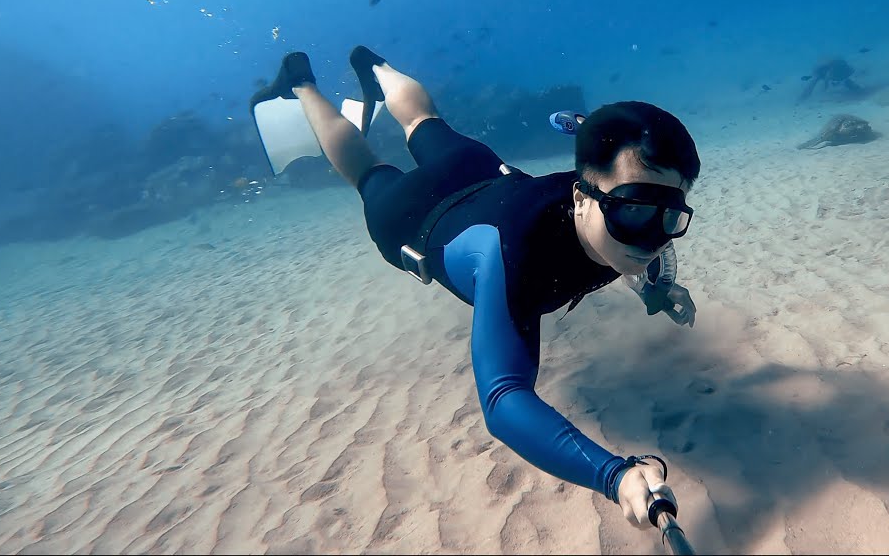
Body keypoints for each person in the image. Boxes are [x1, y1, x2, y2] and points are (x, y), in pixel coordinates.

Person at [250, 47, 702, 528]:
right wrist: (616, 477)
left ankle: (374, 69)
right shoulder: (516, 260)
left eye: (671, 215)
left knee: (422, 120)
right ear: (580, 196)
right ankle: (302, 84)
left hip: (478, 172)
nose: (652, 238)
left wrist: (656, 286)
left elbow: (644, 237)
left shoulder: (610, 207)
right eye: (632, 211)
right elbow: (503, 398)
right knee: (366, 169)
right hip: (414, 215)